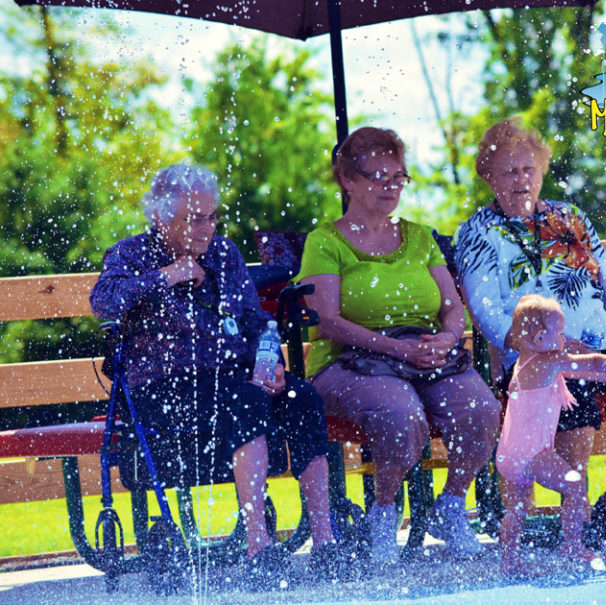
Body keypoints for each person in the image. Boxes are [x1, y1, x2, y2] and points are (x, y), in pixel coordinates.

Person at [90, 164, 347, 586]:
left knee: (302, 398)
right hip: (164, 391)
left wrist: (273, 364)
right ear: (160, 217)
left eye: (211, 217)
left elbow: (254, 321)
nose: (206, 228)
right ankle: (258, 547)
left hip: (233, 380)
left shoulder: (224, 255)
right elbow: (104, 302)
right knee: (245, 400)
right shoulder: (130, 255)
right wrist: (167, 276)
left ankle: (325, 541)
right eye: (195, 218)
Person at [455, 118, 606, 541]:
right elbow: (486, 312)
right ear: (488, 175)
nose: (521, 179)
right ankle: (580, 517)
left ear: (542, 171)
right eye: (509, 171)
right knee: (571, 392)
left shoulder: (569, 217)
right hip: (538, 362)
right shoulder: (477, 232)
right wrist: (546, 346)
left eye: (528, 169)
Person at [297, 127, 500, 563]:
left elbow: (451, 308)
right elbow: (327, 323)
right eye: (378, 177)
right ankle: (384, 510)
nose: (391, 187)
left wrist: (447, 337)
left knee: (482, 409)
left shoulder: (419, 236)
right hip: (350, 361)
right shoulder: (325, 241)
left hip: (424, 355)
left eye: (398, 177)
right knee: (400, 415)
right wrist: (398, 350)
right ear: (348, 180)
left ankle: (451, 505)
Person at [498, 295, 606, 576]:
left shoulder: (529, 361)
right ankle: (571, 546)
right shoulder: (546, 361)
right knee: (573, 486)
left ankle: (510, 563)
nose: (564, 338)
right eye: (559, 332)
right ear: (538, 337)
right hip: (532, 453)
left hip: (510, 453)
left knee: (516, 510)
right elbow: (594, 362)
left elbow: (590, 373)